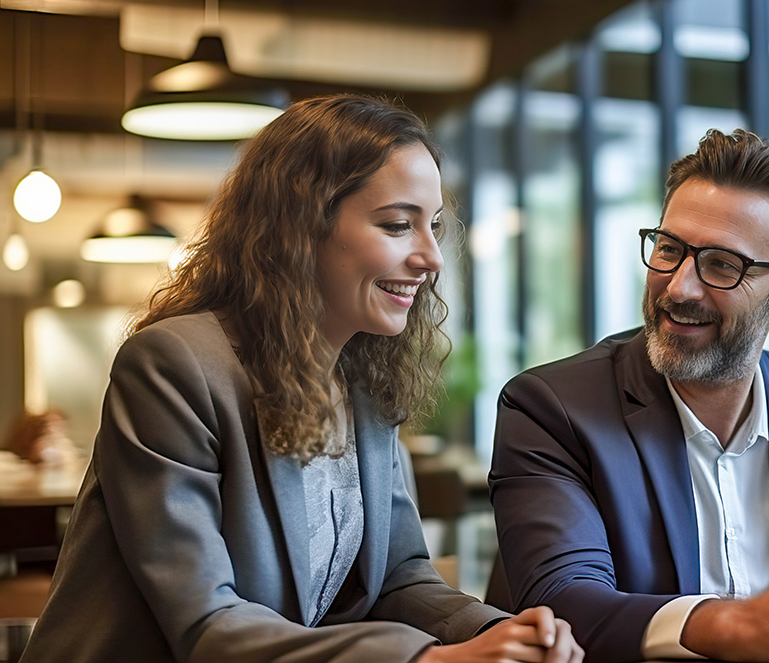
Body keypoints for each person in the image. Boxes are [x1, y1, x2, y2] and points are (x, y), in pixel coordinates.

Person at [23, 95, 583, 663]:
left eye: (433, 226)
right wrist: (424, 659)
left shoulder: (363, 381)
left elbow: (398, 580)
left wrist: (505, 631)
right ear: (300, 226)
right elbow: (208, 625)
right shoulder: (173, 364)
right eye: (397, 225)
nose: (432, 257)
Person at [489, 129, 769, 663]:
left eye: (723, 265)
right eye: (669, 249)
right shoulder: (550, 408)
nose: (680, 287)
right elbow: (565, 604)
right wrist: (742, 624)